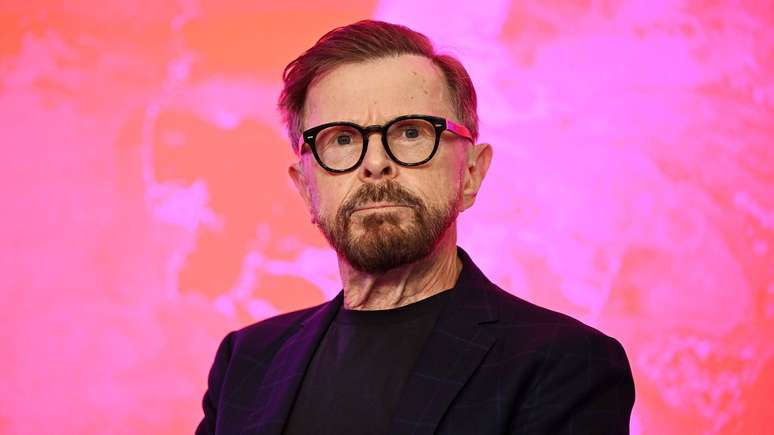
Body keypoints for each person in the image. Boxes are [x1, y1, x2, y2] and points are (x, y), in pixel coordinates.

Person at [196, 20, 635, 435]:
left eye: (410, 132)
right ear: (305, 188)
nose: (375, 163)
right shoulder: (245, 363)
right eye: (342, 139)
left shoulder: (565, 363)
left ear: (471, 173)